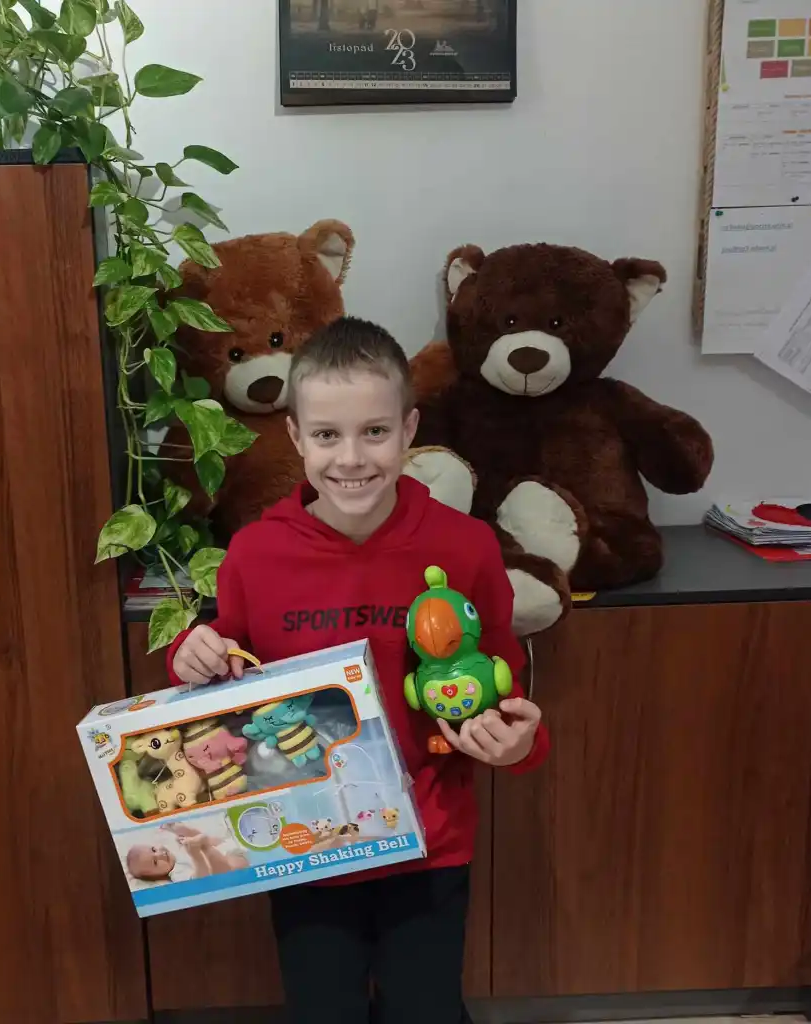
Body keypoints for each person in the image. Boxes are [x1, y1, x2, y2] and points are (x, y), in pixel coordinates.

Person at [167, 316, 549, 1024]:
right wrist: (192, 651)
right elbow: (225, 660)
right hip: (308, 845)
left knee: (425, 1009)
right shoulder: (256, 553)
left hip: (430, 843)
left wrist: (519, 744)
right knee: (324, 1009)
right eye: (327, 435)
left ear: (409, 429)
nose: (351, 458)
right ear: (295, 436)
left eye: (375, 432)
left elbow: (500, 671)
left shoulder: (465, 546)